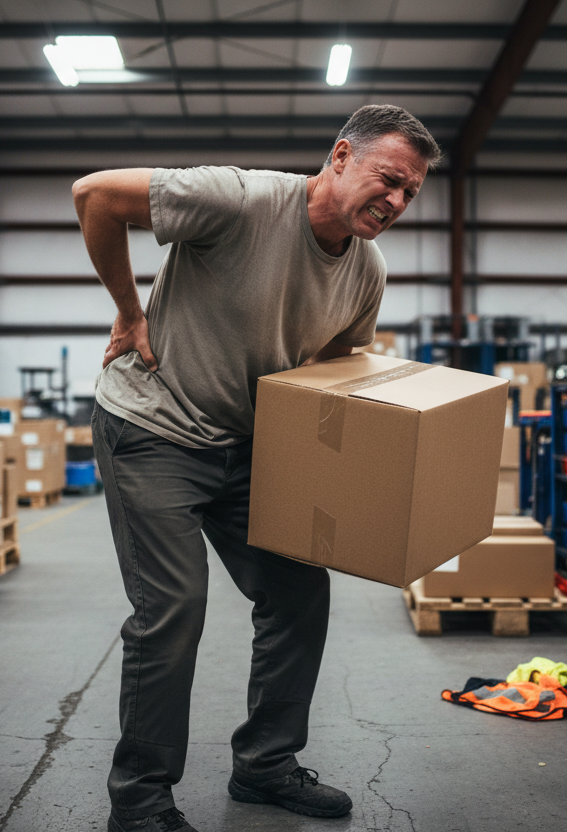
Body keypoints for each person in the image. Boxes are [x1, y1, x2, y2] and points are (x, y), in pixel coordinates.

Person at [73, 104, 441, 832]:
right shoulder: (240, 200)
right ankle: (140, 803)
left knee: (300, 593)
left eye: (411, 194)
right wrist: (128, 310)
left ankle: (265, 767)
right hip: (155, 429)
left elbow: (338, 374)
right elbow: (95, 195)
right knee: (173, 609)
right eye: (389, 179)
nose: (396, 202)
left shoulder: (366, 271)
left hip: (246, 450)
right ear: (340, 157)